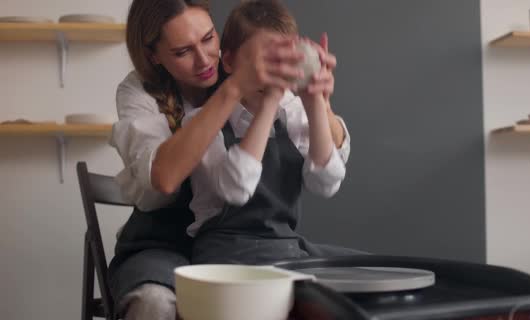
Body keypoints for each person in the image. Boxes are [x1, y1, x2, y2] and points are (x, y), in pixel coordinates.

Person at [108, 0, 317, 319]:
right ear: (154, 56)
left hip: (238, 246)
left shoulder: (240, 63)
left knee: (341, 288)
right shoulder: (139, 92)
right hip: (162, 242)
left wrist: (319, 95)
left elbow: (308, 124)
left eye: (208, 39)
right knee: (154, 303)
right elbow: (164, 179)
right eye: (182, 52)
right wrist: (231, 90)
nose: (205, 60)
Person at [182, 0, 356, 266]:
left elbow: (326, 183)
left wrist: (315, 103)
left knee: (383, 270)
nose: (272, 72)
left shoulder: (294, 113)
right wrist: (270, 103)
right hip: (223, 254)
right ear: (228, 61)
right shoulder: (202, 122)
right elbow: (236, 189)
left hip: (285, 249)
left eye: (282, 61)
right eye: (264, 61)